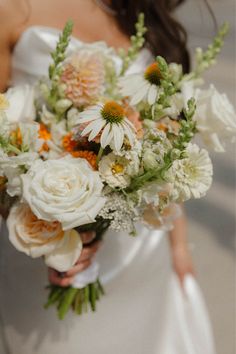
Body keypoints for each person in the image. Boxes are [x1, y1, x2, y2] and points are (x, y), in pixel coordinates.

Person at [0, 1, 215, 353]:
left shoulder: (135, 9)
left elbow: (165, 143)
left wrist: (178, 247)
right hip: (44, 260)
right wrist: (48, 236)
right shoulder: (11, 10)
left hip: (140, 255)